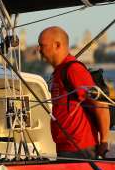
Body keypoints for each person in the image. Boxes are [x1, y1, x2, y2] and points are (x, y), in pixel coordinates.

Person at [38, 26, 110, 159]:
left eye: (42, 45)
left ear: (57, 45)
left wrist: (104, 141)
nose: (39, 50)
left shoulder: (73, 70)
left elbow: (100, 104)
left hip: (80, 148)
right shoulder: (59, 72)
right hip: (65, 147)